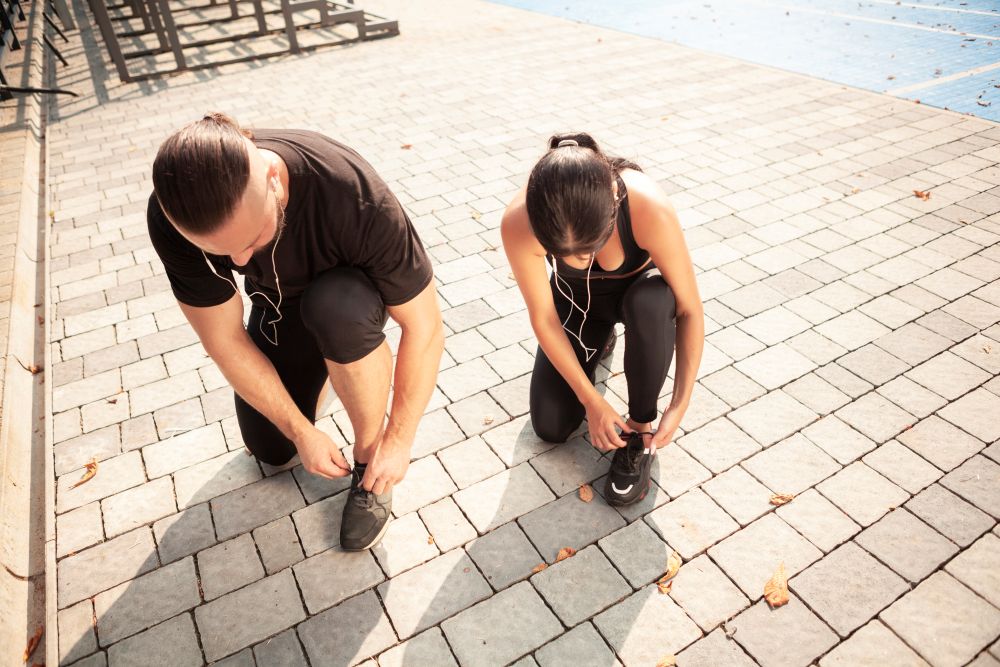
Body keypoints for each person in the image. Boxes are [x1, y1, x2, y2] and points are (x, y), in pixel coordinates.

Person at [147, 113, 444, 550]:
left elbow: (425, 326)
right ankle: (329, 375)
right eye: (223, 253)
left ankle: (367, 456)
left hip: (346, 302)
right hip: (279, 309)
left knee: (335, 308)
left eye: (253, 239)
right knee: (271, 450)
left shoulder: (354, 196)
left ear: (273, 180)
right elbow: (224, 340)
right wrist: (303, 433)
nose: (242, 261)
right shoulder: (173, 216)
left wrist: (398, 440)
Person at [501, 132, 704, 506]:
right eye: (565, 254)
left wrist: (679, 404)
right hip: (577, 306)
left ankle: (639, 432)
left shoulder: (645, 203)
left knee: (654, 300)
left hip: (641, 302)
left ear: (613, 200)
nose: (584, 261)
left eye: (591, 248)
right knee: (550, 426)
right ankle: (600, 341)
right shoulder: (519, 221)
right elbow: (544, 318)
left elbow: (690, 309)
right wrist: (592, 401)